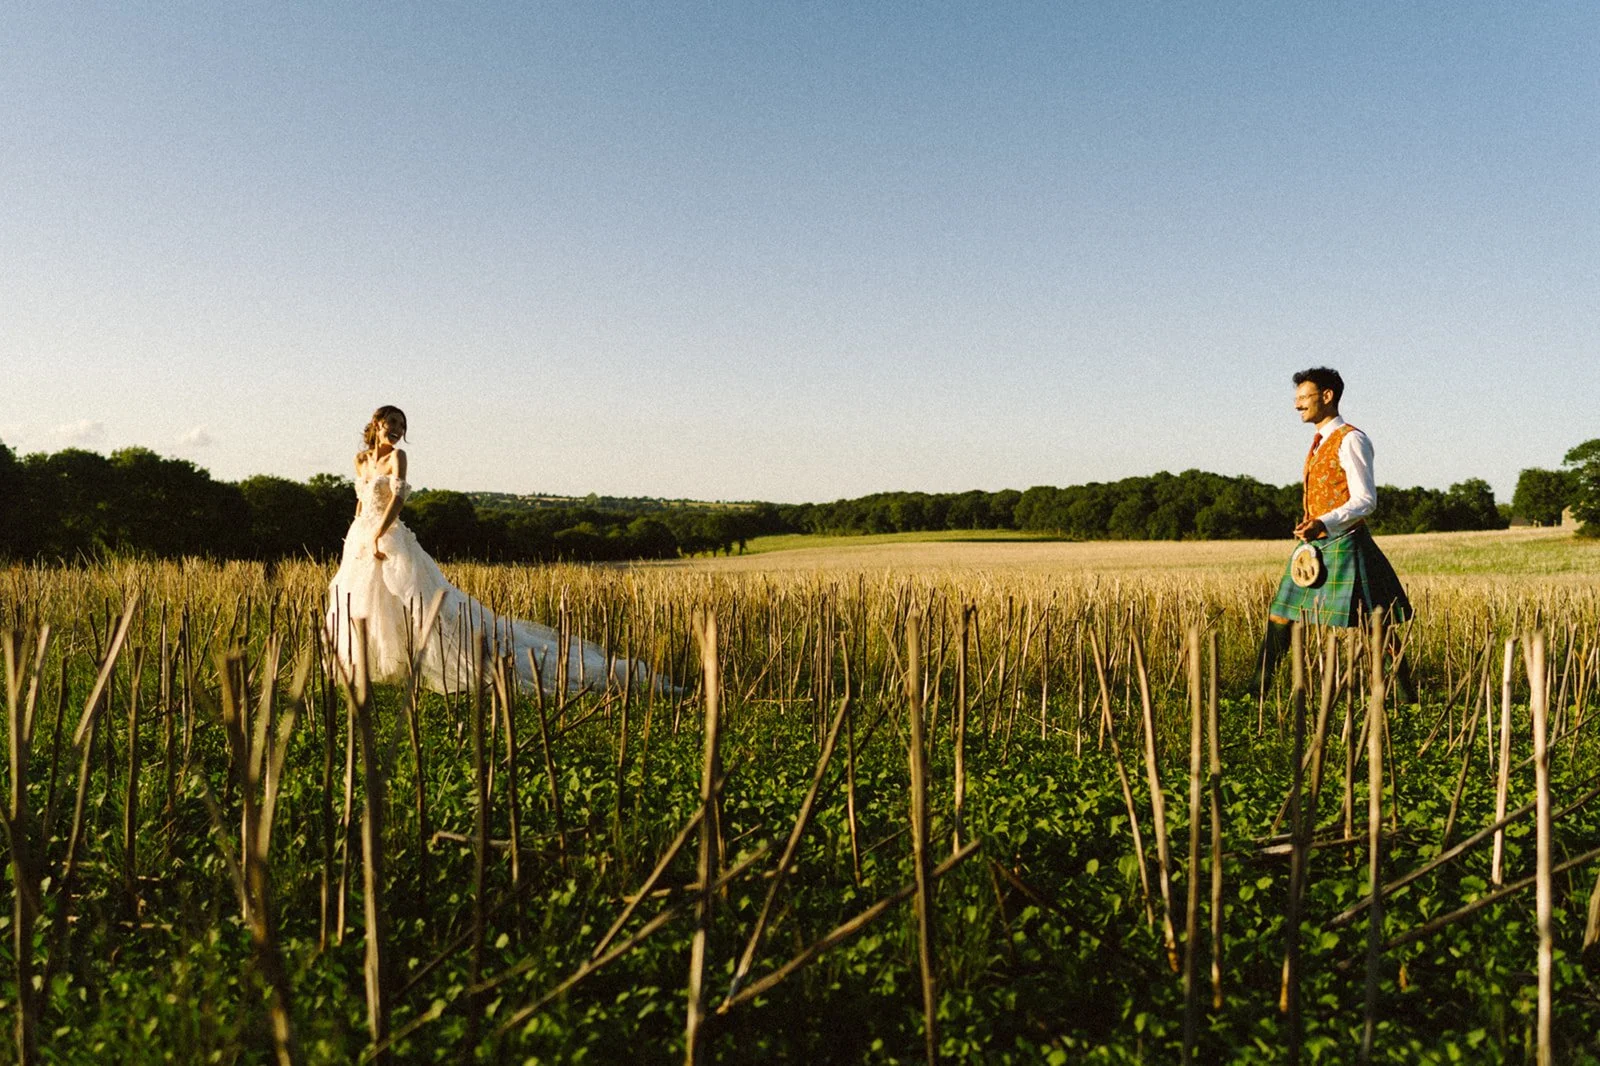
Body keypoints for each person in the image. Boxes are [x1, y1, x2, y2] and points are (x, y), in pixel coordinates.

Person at [325, 406, 651, 694]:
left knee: (423, 604)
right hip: (361, 539)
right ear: (377, 422)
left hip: (389, 536)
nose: (396, 430)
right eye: (392, 422)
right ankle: (375, 666)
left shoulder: (398, 457)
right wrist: (358, 537)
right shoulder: (362, 461)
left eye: (402, 426)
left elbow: (397, 499)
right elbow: (361, 501)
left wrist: (380, 534)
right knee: (362, 600)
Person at [1257, 368, 1414, 693]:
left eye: (1304, 397)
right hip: (1316, 546)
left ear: (1327, 396)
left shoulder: (1352, 439)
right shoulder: (1319, 443)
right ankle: (1256, 690)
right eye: (1296, 398)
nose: (1297, 405)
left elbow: (1366, 501)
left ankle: (1408, 697)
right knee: (1281, 614)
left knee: (1376, 625)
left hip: (1346, 542)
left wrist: (1324, 522)